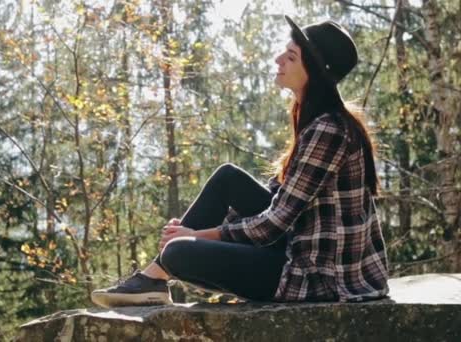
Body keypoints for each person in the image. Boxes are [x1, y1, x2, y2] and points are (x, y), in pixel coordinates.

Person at [91, 15, 389, 308]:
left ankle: (155, 275)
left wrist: (197, 236)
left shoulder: (329, 130)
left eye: (291, 57)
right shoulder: (316, 120)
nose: (278, 60)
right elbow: (277, 199)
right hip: (296, 247)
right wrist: (196, 230)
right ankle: (153, 278)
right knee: (228, 179)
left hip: (318, 277)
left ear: (315, 71)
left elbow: (274, 222)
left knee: (178, 253)